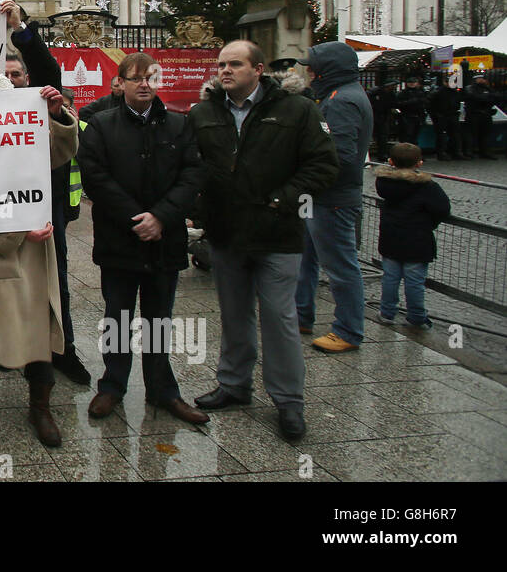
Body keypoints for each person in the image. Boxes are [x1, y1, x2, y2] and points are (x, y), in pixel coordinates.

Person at [188, 40, 338, 443]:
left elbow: (324, 163)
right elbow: (192, 166)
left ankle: (289, 401)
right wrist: (199, 206)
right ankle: (234, 385)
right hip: (226, 233)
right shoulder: (204, 112)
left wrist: (282, 199)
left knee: (280, 319)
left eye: (235, 64)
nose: (225, 70)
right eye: (221, 64)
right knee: (234, 315)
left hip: (277, 233)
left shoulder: (297, 109)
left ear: (258, 68)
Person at [77, 52, 208, 424]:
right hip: (120, 240)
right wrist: (137, 217)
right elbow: (95, 177)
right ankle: (112, 386)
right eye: (135, 78)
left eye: (150, 77)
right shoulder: (102, 125)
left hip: (164, 242)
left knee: (158, 318)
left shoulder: (180, 125)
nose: (144, 84)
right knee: (117, 316)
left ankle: (163, 390)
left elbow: (192, 175)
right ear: (120, 83)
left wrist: (162, 217)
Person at [0, 66, 80, 447]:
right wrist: (13, 230)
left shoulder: (25, 129)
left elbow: (60, 153)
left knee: (36, 324)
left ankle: (40, 407)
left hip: (32, 248)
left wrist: (57, 116)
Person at [4, 50, 91, 386]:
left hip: (45, 212)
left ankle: (63, 350)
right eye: (6, 75)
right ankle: (15, 349)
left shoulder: (42, 109)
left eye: (17, 75)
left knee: (56, 281)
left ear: (28, 80)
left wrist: (22, 30)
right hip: (4, 214)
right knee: (11, 283)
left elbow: (48, 69)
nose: (12, 81)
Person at [295, 42, 373, 354]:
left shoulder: (342, 100)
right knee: (306, 259)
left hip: (332, 198)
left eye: (313, 68)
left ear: (329, 69)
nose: (309, 73)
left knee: (341, 267)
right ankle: (301, 315)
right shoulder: (337, 95)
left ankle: (348, 330)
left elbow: (340, 155)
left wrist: (304, 172)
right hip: (321, 197)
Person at [375, 143, 451, 330]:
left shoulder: (384, 183)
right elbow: (442, 209)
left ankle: (387, 313)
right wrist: (430, 223)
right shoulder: (427, 186)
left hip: (390, 237)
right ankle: (416, 316)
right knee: (415, 281)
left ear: (391, 162)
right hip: (417, 239)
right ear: (419, 163)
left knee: (390, 277)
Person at [463, 72, 503, 160]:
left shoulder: (487, 88)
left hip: (486, 114)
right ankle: (469, 152)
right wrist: (487, 98)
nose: (481, 80)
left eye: (482, 78)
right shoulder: (470, 88)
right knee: (471, 134)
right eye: (479, 78)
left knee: (485, 134)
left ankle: (485, 152)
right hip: (474, 114)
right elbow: (476, 97)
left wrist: (487, 97)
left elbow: (497, 96)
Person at [428, 72, 465, 161]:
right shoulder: (438, 92)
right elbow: (429, 104)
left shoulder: (455, 92)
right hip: (441, 116)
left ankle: (456, 152)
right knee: (442, 136)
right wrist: (435, 115)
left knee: (455, 135)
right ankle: (441, 153)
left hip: (452, 115)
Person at [368, 80, 400, 156]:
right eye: (393, 85)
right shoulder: (376, 92)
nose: (394, 87)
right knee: (381, 135)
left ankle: (382, 153)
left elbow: (394, 104)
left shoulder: (390, 94)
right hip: (376, 115)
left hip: (383, 116)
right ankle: (381, 153)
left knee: (383, 135)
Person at [395, 75, 427, 147]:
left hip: (417, 116)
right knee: (407, 136)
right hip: (407, 116)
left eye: (414, 82)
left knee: (415, 137)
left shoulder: (421, 93)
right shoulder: (403, 93)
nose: (412, 84)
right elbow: (397, 104)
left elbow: (425, 104)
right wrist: (410, 102)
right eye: (410, 82)